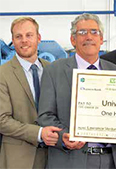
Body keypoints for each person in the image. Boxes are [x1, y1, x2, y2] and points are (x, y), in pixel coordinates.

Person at [37, 13, 116, 169]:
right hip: (71, 160)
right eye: (82, 32)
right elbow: (45, 116)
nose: (88, 37)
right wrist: (64, 137)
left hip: (111, 160)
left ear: (101, 39)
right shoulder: (54, 71)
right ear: (73, 40)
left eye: (94, 32)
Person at [0, 17, 61, 168]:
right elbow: (2, 120)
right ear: (12, 41)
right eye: (18, 36)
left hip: (54, 157)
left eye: (29, 35)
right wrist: (39, 133)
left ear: (38, 38)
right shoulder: (3, 73)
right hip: (19, 159)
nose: (24, 41)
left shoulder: (53, 70)